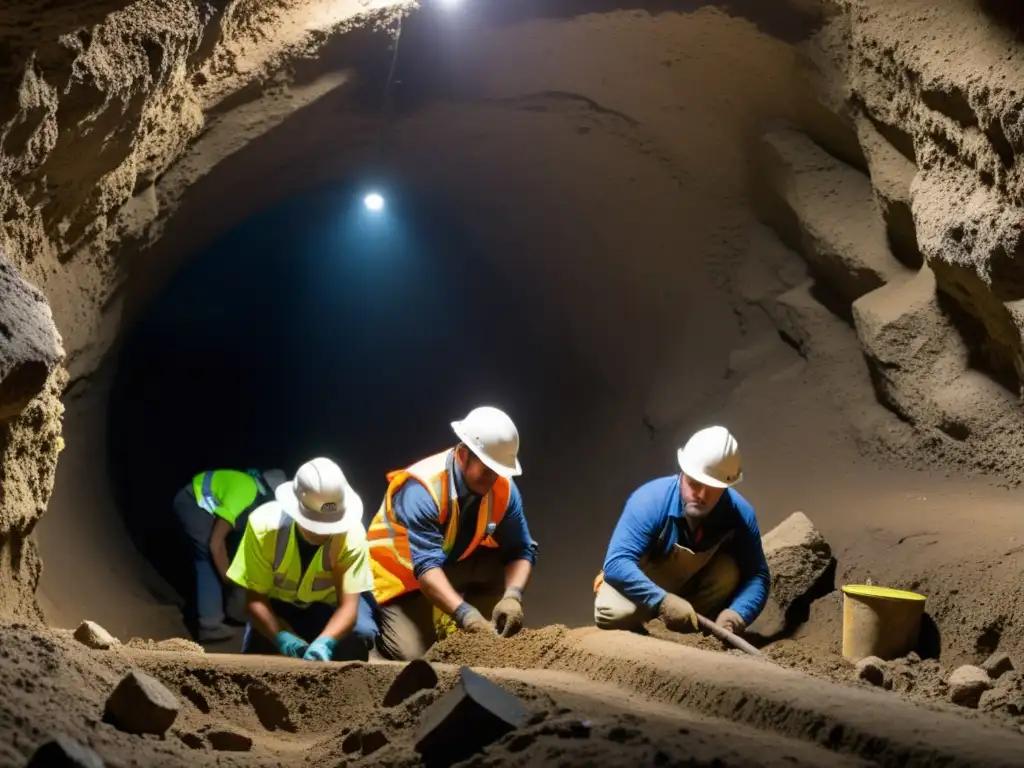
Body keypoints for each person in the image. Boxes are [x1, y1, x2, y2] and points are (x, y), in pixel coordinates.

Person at [366, 406, 539, 661]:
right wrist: (465, 614)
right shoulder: (421, 488)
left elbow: (521, 549)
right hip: (401, 577)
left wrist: (513, 596)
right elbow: (425, 568)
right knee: (411, 655)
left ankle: (474, 635)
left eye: (499, 471)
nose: (493, 480)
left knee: (494, 563)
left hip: (446, 562)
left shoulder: (503, 487)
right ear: (462, 455)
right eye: (486, 470)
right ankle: (385, 631)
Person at [593, 425, 770, 637]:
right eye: (695, 483)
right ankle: (643, 633)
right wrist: (662, 601)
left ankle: (692, 629)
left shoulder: (740, 514)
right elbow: (616, 562)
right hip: (643, 585)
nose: (702, 495)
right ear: (682, 473)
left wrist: (737, 616)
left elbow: (757, 575)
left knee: (728, 571)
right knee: (612, 612)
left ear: (726, 486)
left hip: (691, 590)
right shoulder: (650, 500)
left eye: (712, 488)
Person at [226, 457, 378, 662]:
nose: (323, 533)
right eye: (316, 524)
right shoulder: (263, 526)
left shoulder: (352, 535)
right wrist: (281, 638)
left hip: (328, 606)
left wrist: (326, 641)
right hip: (278, 604)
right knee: (256, 654)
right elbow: (255, 601)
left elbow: (348, 607)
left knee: (362, 632)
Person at [172, 467, 286, 643]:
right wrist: (229, 580)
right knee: (207, 558)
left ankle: (236, 613)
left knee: (237, 554)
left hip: (211, 510)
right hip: (192, 502)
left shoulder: (255, 502)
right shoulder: (246, 493)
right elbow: (215, 543)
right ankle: (210, 626)